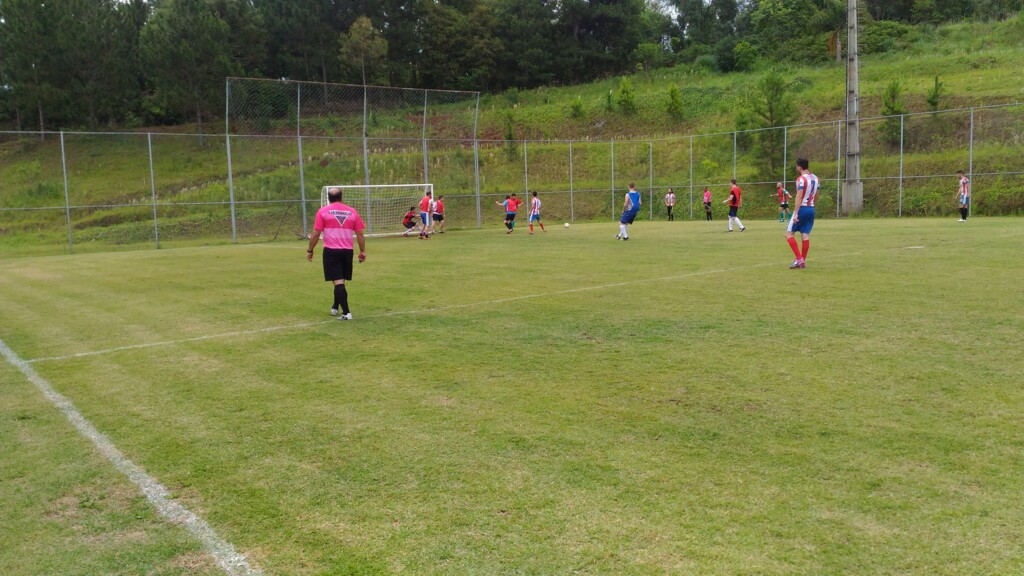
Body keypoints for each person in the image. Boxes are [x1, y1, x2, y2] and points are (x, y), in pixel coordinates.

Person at [307, 187, 366, 320]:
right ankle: (335, 307)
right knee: (339, 280)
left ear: (328, 198)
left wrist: (310, 250)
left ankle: (346, 313)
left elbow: (316, 233)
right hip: (347, 251)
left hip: (331, 251)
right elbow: (360, 234)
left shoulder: (323, 211)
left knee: (338, 281)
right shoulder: (352, 212)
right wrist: (362, 251)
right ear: (341, 197)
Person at [785, 158, 819, 269]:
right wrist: (812, 204)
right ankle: (802, 261)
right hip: (811, 209)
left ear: (799, 167)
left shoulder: (801, 179)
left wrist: (795, 213)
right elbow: (817, 195)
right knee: (805, 235)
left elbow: (799, 196)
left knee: (788, 234)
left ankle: (799, 258)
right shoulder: (816, 178)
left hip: (802, 209)